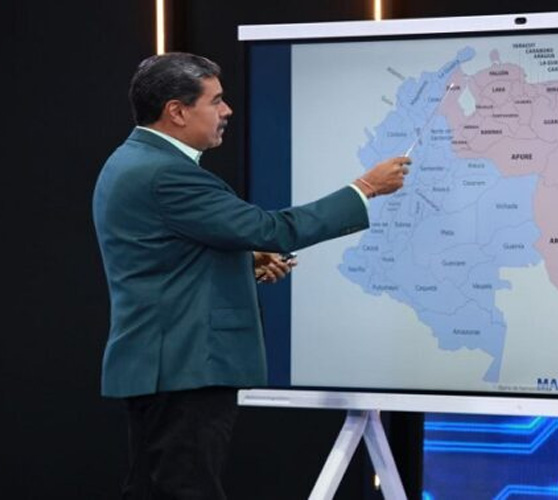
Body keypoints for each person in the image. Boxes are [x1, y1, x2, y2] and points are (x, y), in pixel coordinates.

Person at [92, 52, 410, 499]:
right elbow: (272, 229)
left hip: (165, 363)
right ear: (177, 111)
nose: (227, 111)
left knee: (154, 489)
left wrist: (245, 261)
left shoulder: (131, 160)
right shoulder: (167, 174)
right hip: (186, 365)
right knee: (187, 489)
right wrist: (365, 188)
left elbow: (164, 257)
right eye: (215, 101)